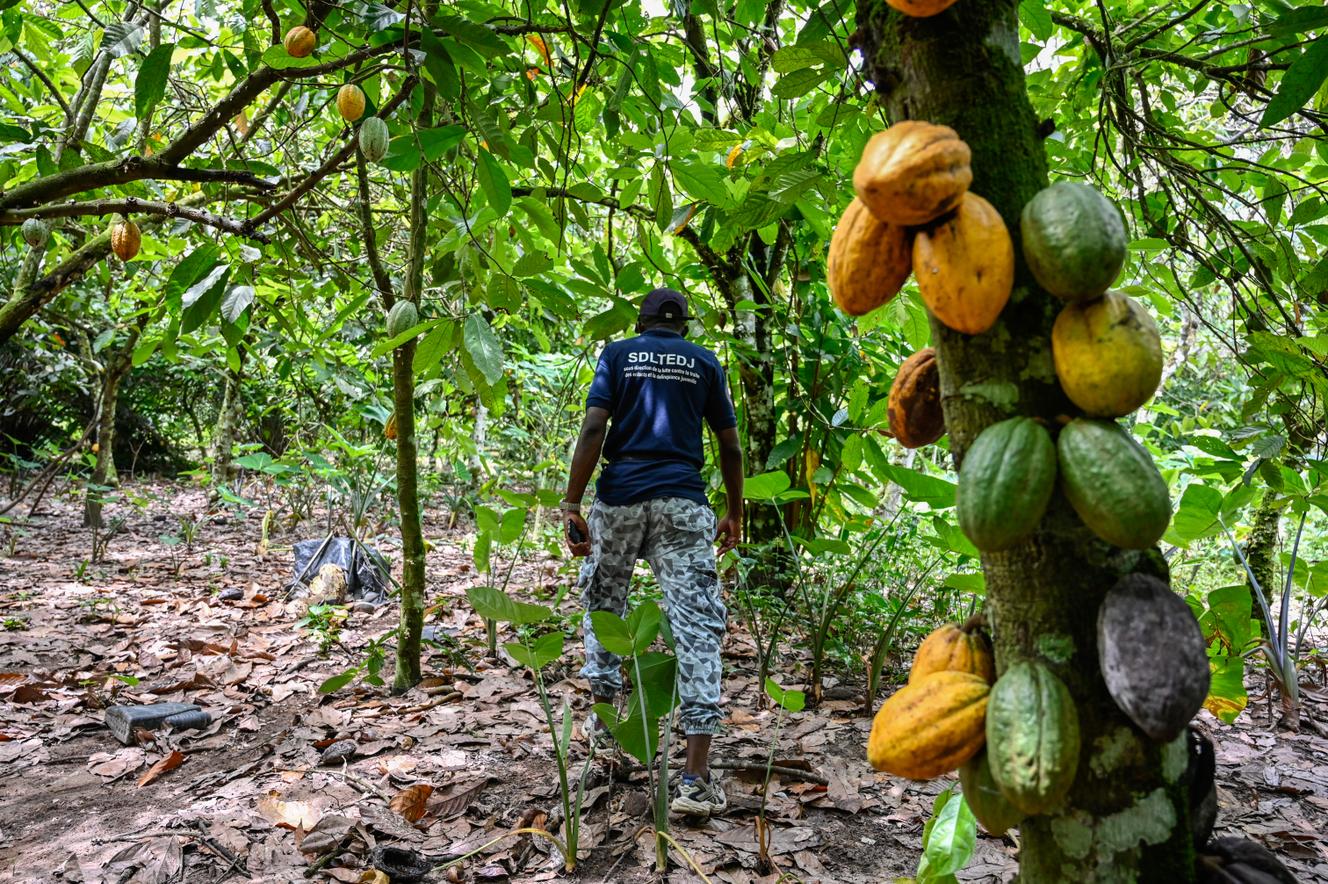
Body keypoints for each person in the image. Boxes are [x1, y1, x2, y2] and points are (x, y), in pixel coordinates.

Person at [560, 287, 744, 817]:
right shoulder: (705, 362)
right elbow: (730, 444)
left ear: (640, 323)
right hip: (682, 504)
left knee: (604, 609)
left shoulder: (617, 355)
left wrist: (572, 502)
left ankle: (603, 741)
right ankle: (695, 779)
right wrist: (735, 511)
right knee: (697, 628)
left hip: (619, 500)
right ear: (684, 326)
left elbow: (595, 427)